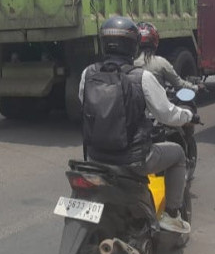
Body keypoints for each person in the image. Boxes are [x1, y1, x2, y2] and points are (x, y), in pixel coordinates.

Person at [78, 16, 200, 234]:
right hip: (133, 160)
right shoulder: (141, 77)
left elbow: (85, 104)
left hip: (95, 159)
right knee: (179, 154)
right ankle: (172, 215)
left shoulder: (88, 73)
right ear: (133, 45)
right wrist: (187, 115)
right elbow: (167, 114)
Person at [134, 21, 204, 92]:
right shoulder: (161, 63)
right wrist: (196, 87)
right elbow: (179, 84)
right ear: (154, 41)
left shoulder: (128, 64)